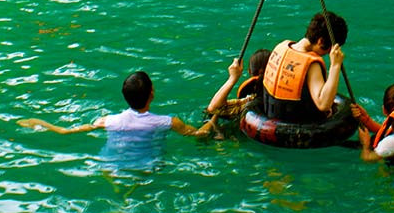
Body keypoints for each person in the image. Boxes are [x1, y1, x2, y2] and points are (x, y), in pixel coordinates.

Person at [17, 70, 215, 138]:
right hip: (146, 169)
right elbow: (199, 134)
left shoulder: (107, 121)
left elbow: (64, 131)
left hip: (111, 167)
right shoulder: (168, 122)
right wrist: (214, 117)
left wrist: (39, 122)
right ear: (152, 93)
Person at [260, 11, 349, 123]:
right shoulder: (312, 64)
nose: (328, 53)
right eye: (328, 50)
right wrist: (335, 66)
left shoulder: (281, 46)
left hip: (270, 116)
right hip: (296, 126)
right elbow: (323, 104)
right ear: (321, 41)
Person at [205, 50, 272, 119]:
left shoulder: (248, 103)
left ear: (250, 71)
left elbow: (213, 109)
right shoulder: (280, 100)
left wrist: (232, 78)